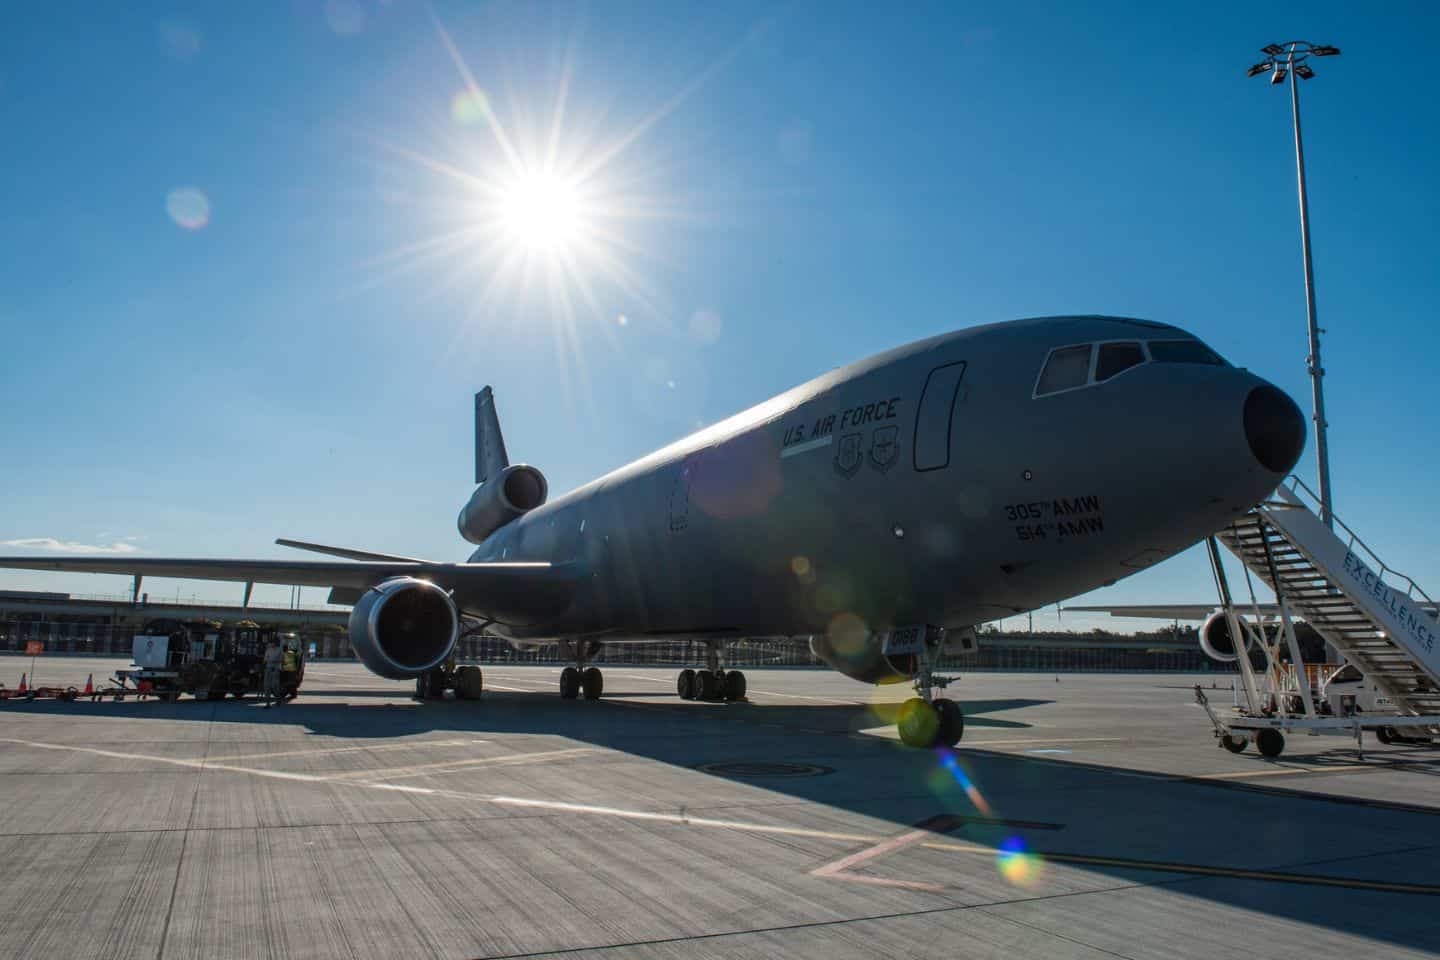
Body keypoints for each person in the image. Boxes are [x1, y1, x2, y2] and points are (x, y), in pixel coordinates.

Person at [262, 639, 283, 708]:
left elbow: (281, 659)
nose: (270, 645)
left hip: (275, 669)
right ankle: (268, 703)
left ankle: (278, 698)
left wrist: (274, 661)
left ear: (274, 644)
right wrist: (268, 661)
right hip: (268, 668)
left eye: (271, 643)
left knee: (274, 686)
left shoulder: (279, 650)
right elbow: (265, 659)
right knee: (267, 686)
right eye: (270, 644)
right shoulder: (268, 650)